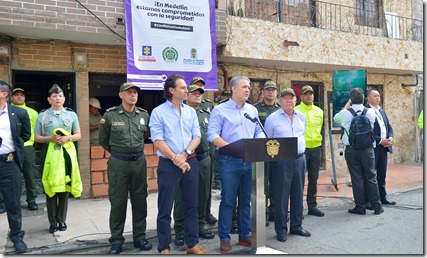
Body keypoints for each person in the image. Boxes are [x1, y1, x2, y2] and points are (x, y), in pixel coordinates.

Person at [207, 76, 265, 254]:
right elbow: (212, 135)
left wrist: (258, 143)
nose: (248, 90)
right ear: (233, 89)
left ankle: (244, 234)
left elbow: (258, 131)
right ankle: (224, 238)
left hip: (249, 161)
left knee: (246, 201)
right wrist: (233, 149)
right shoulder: (220, 110)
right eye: (244, 87)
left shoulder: (252, 110)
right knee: (228, 200)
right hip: (229, 161)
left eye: (249, 87)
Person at [149, 74, 206, 254]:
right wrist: (175, 158)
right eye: (182, 87)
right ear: (171, 90)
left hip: (190, 162)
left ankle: (192, 244)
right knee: (165, 207)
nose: (186, 90)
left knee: (191, 205)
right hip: (168, 164)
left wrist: (184, 154)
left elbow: (197, 136)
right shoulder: (159, 112)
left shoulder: (190, 111)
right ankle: (164, 247)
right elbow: (157, 140)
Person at [98, 82, 152, 254]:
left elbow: (146, 135)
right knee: (118, 202)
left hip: (139, 162)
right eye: (129, 92)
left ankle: (140, 237)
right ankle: (116, 241)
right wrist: (119, 153)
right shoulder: (110, 115)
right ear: (121, 95)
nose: (133, 95)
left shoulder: (143, 115)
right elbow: (103, 140)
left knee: (140, 201)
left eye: (135, 92)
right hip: (118, 163)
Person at [34, 84, 83, 234]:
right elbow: (37, 137)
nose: (58, 98)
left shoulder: (71, 114)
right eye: (54, 96)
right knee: (51, 186)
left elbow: (78, 135)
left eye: (60, 96)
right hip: (49, 153)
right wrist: (50, 138)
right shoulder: (43, 116)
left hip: (67, 154)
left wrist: (67, 138)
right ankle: (52, 221)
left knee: (65, 185)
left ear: (64, 98)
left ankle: (61, 219)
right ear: (49, 99)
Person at [265, 88, 311, 242]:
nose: (289, 101)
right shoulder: (272, 118)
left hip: (299, 159)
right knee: (281, 196)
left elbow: (301, 135)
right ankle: (281, 229)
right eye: (285, 98)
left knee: (298, 194)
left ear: (295, 100)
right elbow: (268, 139)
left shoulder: (301, 117)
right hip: (282, 161)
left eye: (291, 98)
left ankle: (297, 225)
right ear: (279, 101)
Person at [173, 85, 215, 246]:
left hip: (204, 159)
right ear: (185, 95)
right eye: (194, 93)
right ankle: (180, 230)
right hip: (186, 159)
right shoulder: (179, 112)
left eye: (200, 94)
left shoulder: (206, 113)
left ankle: (199, 226)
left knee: (202, 194)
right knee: (182, 196)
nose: (198, 96)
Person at [333, 88, 383, 216]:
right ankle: (377, 206)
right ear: (363, 99)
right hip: (367, 150)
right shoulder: (370, 112)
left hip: (352, 150)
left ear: (351, 99)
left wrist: (346, 106)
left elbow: (336, 118)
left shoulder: (345, 113)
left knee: (357, 178)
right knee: (371, 177)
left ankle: (360, 207)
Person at [0, 81, 30, 253]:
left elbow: (25, 135)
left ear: (4, 94)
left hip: (9, 163)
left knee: (13, 203)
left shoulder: (19, 113)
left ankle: (17, 236)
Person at [191, 76, 218, 226]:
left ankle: (206, 212)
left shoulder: (209, 106)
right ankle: (192, 218)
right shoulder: (184, 106)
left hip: (208, 151)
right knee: (192, 189)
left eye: (201, 87)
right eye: (195, 86)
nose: (198, 89)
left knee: (207, 186)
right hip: (190, 155)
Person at [295, 85, 325, 217]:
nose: (309, 96)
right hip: (302, 149)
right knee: (299, 180)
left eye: (311, 94)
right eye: (306, 94)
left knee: (314, 178)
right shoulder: (296, 110)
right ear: (301, 96)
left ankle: (312, 206)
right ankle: (298, 208)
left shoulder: (319, 111)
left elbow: (321, 128)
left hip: (316, 148)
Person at [254, 80, 280, 225]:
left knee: (276, 183)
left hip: (277, 152)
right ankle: (262, 213)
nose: (270, 92)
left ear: (276, 93)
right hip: (261, 152)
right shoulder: (255, 109)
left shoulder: (280, 109)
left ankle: (275, 212)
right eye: (268, 89)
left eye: (273, 90)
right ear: (263, 92)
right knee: (261, 184)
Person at [10, 88, 39, 211]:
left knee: (29, 174)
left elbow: (37, 129)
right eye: (16, 95)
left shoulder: (32, 112)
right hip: (10, 148)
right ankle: (8, 202)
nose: (19, 97)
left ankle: (31, 200)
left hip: (27, 146)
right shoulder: (6, 111)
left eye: (21, 95)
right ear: (11, 97)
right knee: (10, 176)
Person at [366, 90, 396, 205]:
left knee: (382, 173)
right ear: (368, 98)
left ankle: (383, 197)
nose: (378, 98)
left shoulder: (381, 110)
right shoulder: (367, 111)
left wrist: (390, 138)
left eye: (379, 95)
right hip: (373, 147)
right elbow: (369, 130)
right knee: (371, 175)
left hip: (384, 147)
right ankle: (370, 199)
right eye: (375, 96)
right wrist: (380, 141)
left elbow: (388, 126)